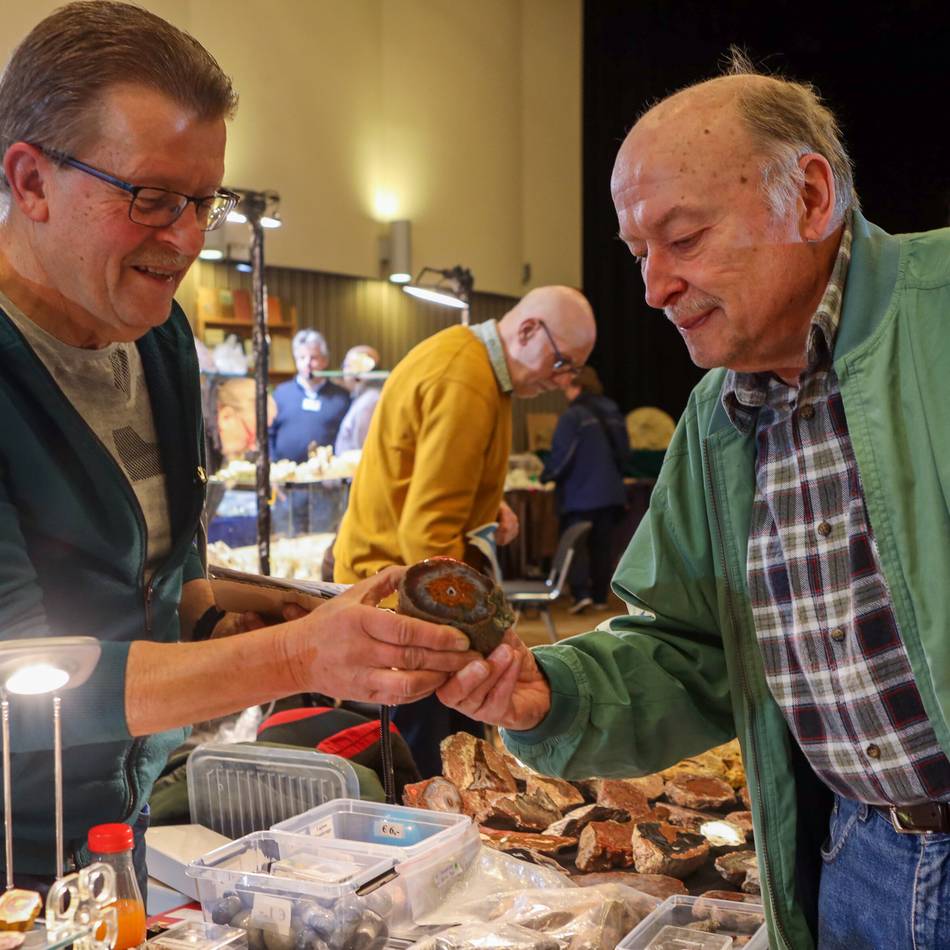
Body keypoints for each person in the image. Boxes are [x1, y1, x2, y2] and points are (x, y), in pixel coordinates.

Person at [437, 56, 950, 950]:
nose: (653, 287)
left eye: (684, 238)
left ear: (814, 197)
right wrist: (547, 696)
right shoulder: (720, 419)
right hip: (857, 859)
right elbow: (688, 647)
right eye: (640, 254)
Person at [0, 1, 478, 893]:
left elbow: (154, 584)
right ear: (31, 181)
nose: (184, 239)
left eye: (201, 201)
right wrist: (298, 658)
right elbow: (17, 685)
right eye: (149, 197)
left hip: (116, 833)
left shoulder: (162, 341)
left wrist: (302, 608)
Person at [334, 286, 596, 775]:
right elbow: (427, 532)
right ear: (526, 330)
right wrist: (481, 636)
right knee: (437, 772)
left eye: (572, 371)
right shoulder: (467, 380)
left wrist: (484, 501)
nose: (562, 382)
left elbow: (423, 468)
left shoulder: (464, 359)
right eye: (561, 363)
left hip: (397, 589)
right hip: (409, 607)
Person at [540, 365, 629, 613]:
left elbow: (562, 455)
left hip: (580, 494)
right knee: (603, 546)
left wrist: (547, 475)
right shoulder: (612, 410)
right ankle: (601, 596)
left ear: (574, 384)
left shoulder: (573, 415)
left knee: (575, 545)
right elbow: (624, 453)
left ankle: (581, 595)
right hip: (610, 493)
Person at [269, 329, 350, 462]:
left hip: (328, 478)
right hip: (285, 477)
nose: (307, 363)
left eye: (313, 358)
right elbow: (268, 435)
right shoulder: (280, 394)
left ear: (325, 361)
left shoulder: (341, 397)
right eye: (302, 358)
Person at [334, 344, 384, 455]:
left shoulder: (369, 402)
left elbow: (362, 451)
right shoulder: (363, 398)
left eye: (347, 366)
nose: (343, 371)